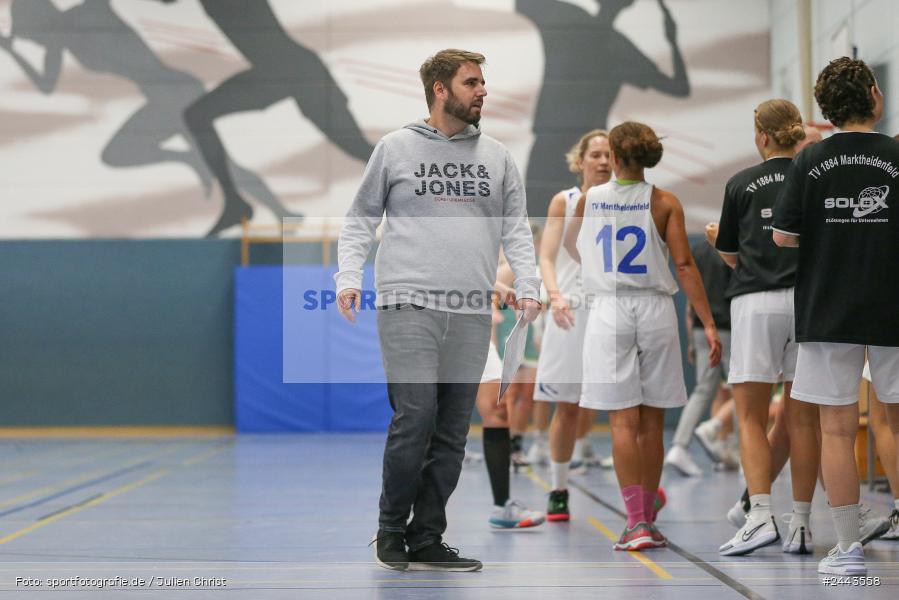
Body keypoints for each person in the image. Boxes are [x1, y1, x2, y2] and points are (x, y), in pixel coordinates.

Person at [335, 49, 541, 572]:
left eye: (483, 83)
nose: (483, 92)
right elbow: (359, 220)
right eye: (472, 83)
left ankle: (426, 536)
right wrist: (347, 276)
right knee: (416, 417)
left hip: (472, 309)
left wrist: (531, 284)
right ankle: (390, 531)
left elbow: (517, 228)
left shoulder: (496, 155)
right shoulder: (395, 148)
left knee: (451, 431)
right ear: (440, 90)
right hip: (409, 302)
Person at [565, 121, 722, 551]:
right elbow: (685, 266)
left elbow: (572, 245)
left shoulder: (591, 198)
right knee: (652, 421)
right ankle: (648, 520)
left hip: (609, 309)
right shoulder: (665, 201)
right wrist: (707, 323)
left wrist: (598, 267)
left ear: (613, 158)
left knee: (621, 420)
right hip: (655, 308)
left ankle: (634, 521)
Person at [773, 57, 899, 576]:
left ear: (824, 108)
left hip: (828, 308)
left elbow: (783, 236)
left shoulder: (808, 161)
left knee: (837, 430)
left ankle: (848, 549)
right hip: (894, 305)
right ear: (874, 94)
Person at [708, 99, 821, 557]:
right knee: (803, 417)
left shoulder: (740, 183)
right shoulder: (815, 179)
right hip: (810, 303)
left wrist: (722, 244)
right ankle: (802, 524)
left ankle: (759, 516)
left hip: (756, 303)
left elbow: (731, 255)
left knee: (751, 416)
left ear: (762, 137)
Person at [515, 0, 689, 216]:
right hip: (576, 143)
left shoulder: (567, 19)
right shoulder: (619, 47)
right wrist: (672, 41)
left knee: (541, 213)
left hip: (565, 141)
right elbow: (679, 87)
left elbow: (524, 3)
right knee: (569, 216)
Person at [532, 129, 613, 521]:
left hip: (613, 311)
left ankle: (640, 495)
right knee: (566, 405)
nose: (602, 161)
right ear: (580, 160)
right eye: (595, 154)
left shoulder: (624, 201)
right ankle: (559, 488)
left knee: (621, 405)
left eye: (609, 155)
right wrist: (554, 294)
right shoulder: (563, 201)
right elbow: (547, 257)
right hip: (570, 310)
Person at [475, 258, 545, 529]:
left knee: (497, 409)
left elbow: (472, 264)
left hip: (476, 330)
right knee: (429, 416)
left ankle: (502, 505)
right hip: (435, 320)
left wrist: (500, 290)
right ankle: (400, 519)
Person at [664, 239, 732, 476]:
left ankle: (680, 447)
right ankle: (737, 450)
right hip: (729, 327)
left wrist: (693, 340)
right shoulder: (733, 245)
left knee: (704, 389)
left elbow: (691, 292)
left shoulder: (699, 250)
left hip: (701, 328)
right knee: (746, 390)